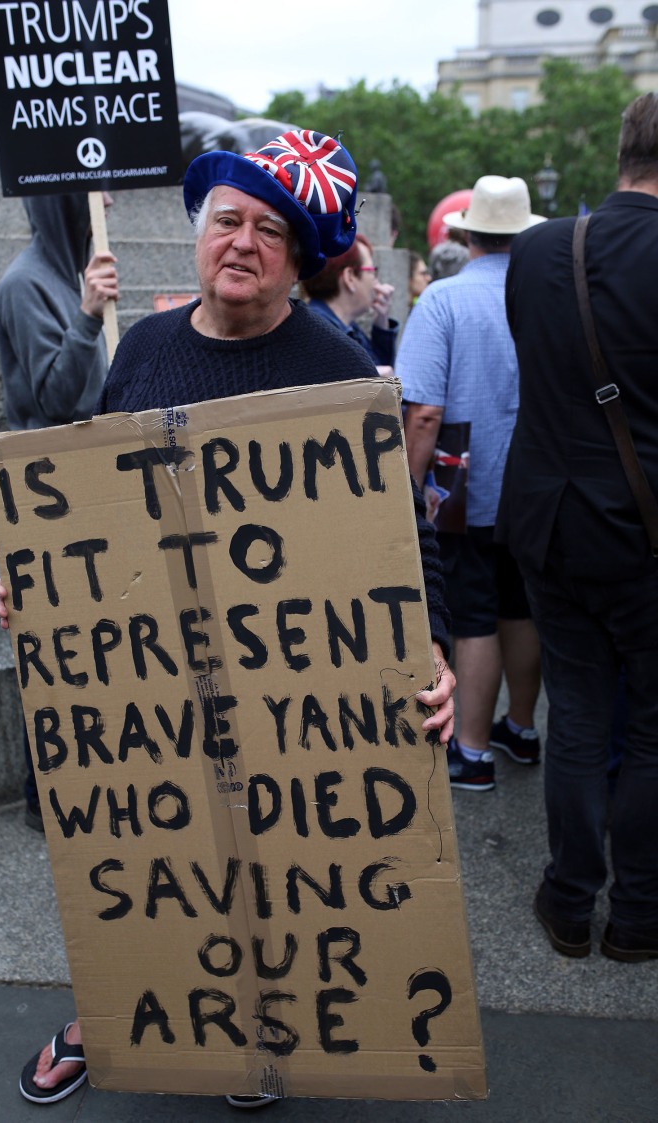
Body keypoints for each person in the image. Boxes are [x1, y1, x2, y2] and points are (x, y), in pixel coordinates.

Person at [0, 128, 457, 1108]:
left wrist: (430, 650)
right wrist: (37, 586)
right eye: (227, 220)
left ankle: (258, 1026)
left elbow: (389, 541)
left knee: (273, 853)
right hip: (157, 678)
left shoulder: (336, 369)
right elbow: (96, 507)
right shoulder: (148, 347)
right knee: (147, 853)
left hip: (283, 684)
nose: (243, 242)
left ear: (299, 257)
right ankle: (112, 1015)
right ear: (200, 232)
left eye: (270, 230)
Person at [496, 93, 658, 963]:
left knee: (580, 711)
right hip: (645, 530)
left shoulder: (539, 247)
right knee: (652, 726)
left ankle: (567, 900)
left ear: (624, 152)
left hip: (549, 520)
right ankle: (637, 914)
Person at [396, 175, 546, 793]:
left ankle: (475, 753)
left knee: (475, 616)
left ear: (465, 234)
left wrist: (404, 494)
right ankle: (520, 727)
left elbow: (424, 412)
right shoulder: (547, 294)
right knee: (522, 608)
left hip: (465, 489)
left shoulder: (444, 301)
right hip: (538, 483)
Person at [0, 191, 119, 831]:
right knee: (52, 640)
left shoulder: (64, 277)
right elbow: (55, 395)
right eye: (97, 201)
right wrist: (90, 315)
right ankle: (46, 794)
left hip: (78, 483)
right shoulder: (25, 285)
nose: (110, 209)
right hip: (47, 493)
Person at [300, 232, 398, 371]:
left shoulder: (344, 327)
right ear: (349, 277)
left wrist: (381, 324)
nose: (376, 281)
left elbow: (383, 368)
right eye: (371, 271)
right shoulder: (319, 334)